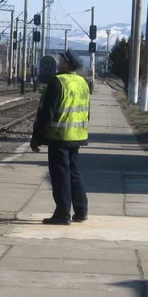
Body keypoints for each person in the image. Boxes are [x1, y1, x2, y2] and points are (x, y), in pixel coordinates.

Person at [30, 50, 90, 225]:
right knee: (74, 172)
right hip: (77, 134)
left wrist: (37, 137)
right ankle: (81, 210)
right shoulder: (83, 83)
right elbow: (87, 111)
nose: (59, 62)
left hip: (59, 136)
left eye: (62, 60)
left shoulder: (57, 82)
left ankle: (62, 214)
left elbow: (46, 114)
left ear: (69, 64)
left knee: (60, 175)